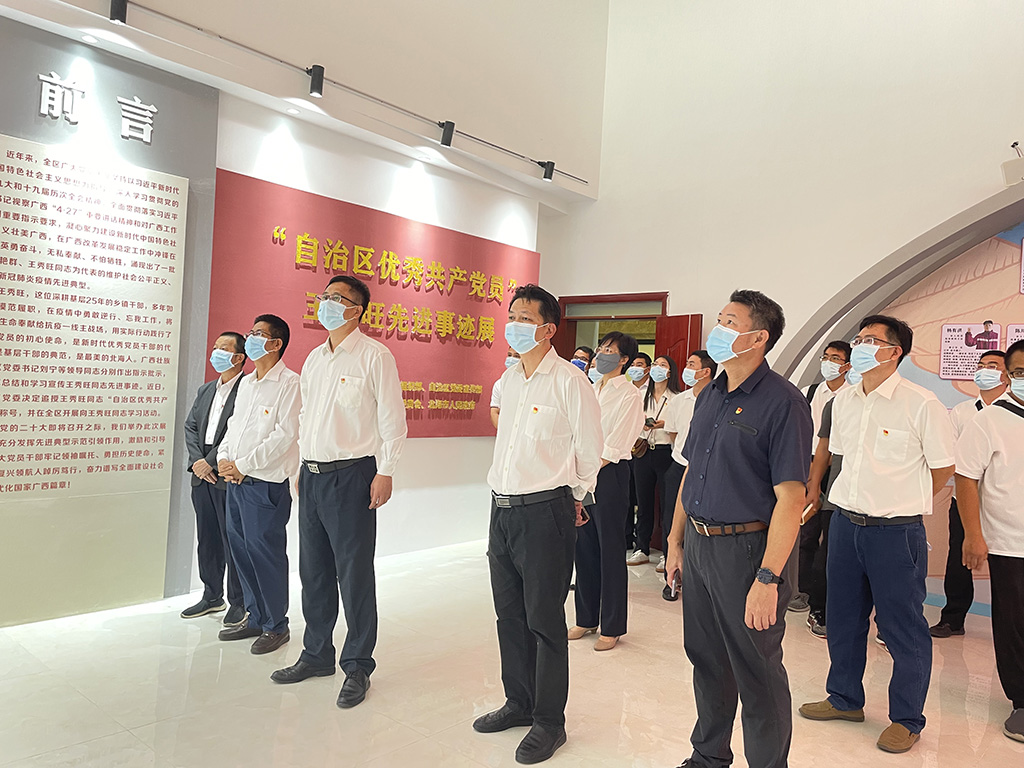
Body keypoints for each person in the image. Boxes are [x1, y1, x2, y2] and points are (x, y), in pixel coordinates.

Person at [665, 290, 812, 768]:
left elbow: (792, 499)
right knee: (706, 659)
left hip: (748, 552)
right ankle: (708, 756)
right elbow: (692, 470)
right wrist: (675, 541)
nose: (719, 329)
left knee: (756, 670)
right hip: (700, 545)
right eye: (720, 319)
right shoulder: (710, 394)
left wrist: (768, 578)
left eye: (730, 322)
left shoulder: (784, 402)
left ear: (758, 337)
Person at [800, 315, 955, 754]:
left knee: (901, 627)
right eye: (859, 338)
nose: (861, 346)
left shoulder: (921, 403)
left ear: (894, 352)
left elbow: (943, 466)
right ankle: (844, 698)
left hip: (895, 532)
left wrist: (901, 497)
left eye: (871, 340)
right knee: (843, 618)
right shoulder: (845, 401)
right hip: (845, 524)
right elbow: (839, 457)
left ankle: (907, 719)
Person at [473, 284, 603, 765]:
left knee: (545, 621)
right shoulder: (509, 380)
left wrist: (577, 496)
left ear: (548, 329)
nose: (514, 325)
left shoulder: (570, 381)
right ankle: (519, 702)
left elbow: (590, 448)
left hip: (546, 509)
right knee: (509, 615)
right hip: (501, 509)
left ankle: (550, 722)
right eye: (511, 316)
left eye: (524, 318)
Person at [272, 276, 407, 709]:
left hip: (352, 475)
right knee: (313, 571)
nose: (326, 303)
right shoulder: (314, 358)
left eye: (336, 298)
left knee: (353, 573)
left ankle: (358, 664)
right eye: (324, 296)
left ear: (356, 309)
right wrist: (300, 467)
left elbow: (393, 421)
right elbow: (306, 418)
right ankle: (316, 654)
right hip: (312, 476)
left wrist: (385, 471)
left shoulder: (374, 356)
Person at [216, 314, 301, 655]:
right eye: (250, 332)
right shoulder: (248, 383)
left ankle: (276, 625)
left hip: (265, 484)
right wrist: (224, 458)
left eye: (258, 334)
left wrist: (243, 465)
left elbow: (284, 435)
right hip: (236, 483)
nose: (250, 338)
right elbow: (233, 426)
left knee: (265, 555)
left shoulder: (290, 384)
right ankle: (255, 616)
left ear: (276, 343)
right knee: (241, 551)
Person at [954, 339, 1024, 742]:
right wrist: (973, 535)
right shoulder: (990, 420)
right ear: (1008, 376)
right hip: (1009, 542)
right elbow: (966, 477)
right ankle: (1021, 699)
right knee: (1014, 623)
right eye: (1020, 372)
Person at [570, 331, 644, 652]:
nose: (601, 354)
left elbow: (617, 443)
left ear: (624, 359)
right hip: (582, 475)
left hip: (609, 474)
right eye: (601, 348)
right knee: (584, 549)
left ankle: (612, 626)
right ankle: (586, 618)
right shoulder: (590, 387)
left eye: (610, 350)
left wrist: (588, 468)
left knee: (610, 551)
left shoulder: (629, 394)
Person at [931, 350, 1008, 638]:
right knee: (958, 558)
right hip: (964, 498)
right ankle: (952, 618)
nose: (984, 370)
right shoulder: (962, 412)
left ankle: (1008, 625)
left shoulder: (1015, 410)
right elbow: (952, 453)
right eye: (981, 365)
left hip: (1006, 502)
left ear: (1007, 374)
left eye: (992, 366)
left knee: (1007, 564)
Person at [181, 331, 247, 626]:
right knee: (207, 538)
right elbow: (190, 426)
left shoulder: (247, 388)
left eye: (224, 348)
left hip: (225, 473)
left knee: (232, 540)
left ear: (239, 357)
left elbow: (236, 432)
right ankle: (211, 595)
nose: (216, 352)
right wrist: (198, 462)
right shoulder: (206, 389)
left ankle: (238, 600)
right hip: (201, 475)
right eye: (215, 347)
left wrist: (209, 463)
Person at [790, 341, 851, 613]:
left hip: (838, 467)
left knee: (831, 533)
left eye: (835, 358)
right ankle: (800, 589)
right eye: (825, 357)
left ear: (847, 366)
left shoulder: (851, 396)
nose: (828, 363)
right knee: (805, 531)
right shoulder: (809, 392)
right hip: (807, 464)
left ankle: (822, 595)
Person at [659, 350, 716, 601]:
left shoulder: (717, 399)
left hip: (707, 470)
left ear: (706, 372)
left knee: (699, 523)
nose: (686, 368)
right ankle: (671, 577)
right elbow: (674, 434)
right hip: (679, 465)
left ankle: (697, 577)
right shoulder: (679, 401)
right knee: (671, 521)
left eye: (692, 364)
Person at [627, 355, 681, 570]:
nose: (658, 368)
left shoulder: (676, 398)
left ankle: (668, 553)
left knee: (668, 505)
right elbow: (630, 420)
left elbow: (680, 426)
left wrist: (665, 424)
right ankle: (641, 548)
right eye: (655, 364)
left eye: (662, 365)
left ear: (670, 372)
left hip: (666, 453)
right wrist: (642, 424)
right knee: (644, 503)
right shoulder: (641, 395)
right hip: (643, 452)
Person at [491, 347, 522, 428]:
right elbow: (494, 411)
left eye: (516, 356)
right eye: (509, 355)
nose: (511, 359)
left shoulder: (530, 382)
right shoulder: (499, 384)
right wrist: (503, 431)